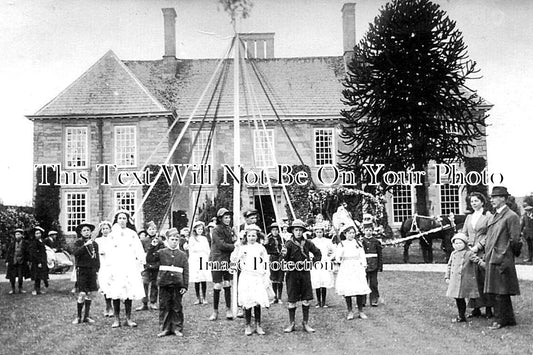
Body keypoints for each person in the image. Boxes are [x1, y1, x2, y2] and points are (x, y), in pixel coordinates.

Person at [471, 186, 521, 330]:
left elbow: (515, 240)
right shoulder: (494, 216)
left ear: (504, 199)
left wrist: (506, 255)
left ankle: (501, 320)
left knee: (501, 290)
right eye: (492, 197)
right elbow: (489, 237)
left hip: (502, 257)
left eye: (495, 197)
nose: (492, 200)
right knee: (496, 290)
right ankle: (509, 319)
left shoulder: (511, 216)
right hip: (492, 256)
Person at [104, 211, 145, 328]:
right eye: (120, 218)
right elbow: (108, 252)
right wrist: (109, 266)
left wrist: (141, 260)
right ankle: (116, 319)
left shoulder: (132, 234)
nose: (122, 220)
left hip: (129, 265)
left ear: (128, 220)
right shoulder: (112, 235)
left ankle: (128, 318)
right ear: (116, 220)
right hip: (116, 266)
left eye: (124, 218)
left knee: (128, 291)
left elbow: (138, 248)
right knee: (116, 291)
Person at [281, 219, 322, 333]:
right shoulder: (288, 244)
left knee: (306, 299)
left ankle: (305, 323)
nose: (298, 232)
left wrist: (313, 262)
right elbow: (282, 259)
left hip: (304, 273)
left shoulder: (308, 243)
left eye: (300, 230)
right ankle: (291, 323)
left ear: (303, 231)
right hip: (292, 274)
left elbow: (318, 253)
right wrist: (285, 260)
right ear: (292, 231)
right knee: (292, 299)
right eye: (296, 230)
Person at [231, 224, 271, 335]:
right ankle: (247, 325)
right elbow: (233, 259)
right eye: (249, 236)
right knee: (247, 301)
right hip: (246, 276)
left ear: (257, 236)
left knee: (257, 301)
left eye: (254, 235)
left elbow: (266, 262)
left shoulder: (260, 248)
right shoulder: (242, 247)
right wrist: (237, 248)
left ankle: (258, 325)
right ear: (246, 237)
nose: (252, 238)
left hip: (258, 276)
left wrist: (266, 276)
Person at [148, 228, 189, 337]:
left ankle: (177, 328)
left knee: (177, 307)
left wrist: (185, 286)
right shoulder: (161, 252)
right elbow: (150, 259)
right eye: (172, 239)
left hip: (177, 284)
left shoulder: (183, 255)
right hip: (164, 283)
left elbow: (186, 271)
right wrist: (153, 247)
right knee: (164, 306)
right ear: (167, 240)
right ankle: (165, 328)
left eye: (176, 239)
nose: (174, 241)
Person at [462, 192, 493, 318]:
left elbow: (490, 234)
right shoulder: (469, 217)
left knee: (484, 279)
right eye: (472, 201)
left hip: (482, 251)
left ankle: (489, 309)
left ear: (482, 202)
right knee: (472, 279)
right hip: (470, 251)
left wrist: (478, 246)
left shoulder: (488, 215)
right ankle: (475, 309)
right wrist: (465, 244)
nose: (474, 203)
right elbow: (464, 232)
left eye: (476, 201)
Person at [335, 223, 371, 320]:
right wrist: (340, 255)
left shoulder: (358, 243)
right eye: (349, 233)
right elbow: (337, 258)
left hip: (356, 267)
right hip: (347, 267)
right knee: (348, 290)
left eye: (353, 233)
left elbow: (362, 255)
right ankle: (350, 311)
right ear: (345, 234)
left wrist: (364, 265)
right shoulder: (341, 244)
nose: (352, 235)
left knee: (359, 289)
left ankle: (360, 311)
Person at [209, 208, 236, 321]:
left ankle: (228, 309)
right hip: (217, 260)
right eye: (225, 217)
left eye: (229, 217)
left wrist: (235, 239)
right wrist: (234, 246)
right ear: (220, 219)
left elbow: (232, 240)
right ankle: (215, 311)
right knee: (217, 285)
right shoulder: (216, 230)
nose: (228, 219)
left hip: (228, 259)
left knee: (227, 284)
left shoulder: (230, 229)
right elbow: (221, 245)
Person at [445, 233, 479, 323]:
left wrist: (485, 266)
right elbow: (449, 266)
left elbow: (477, 260)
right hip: (455, 280)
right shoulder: (453, 254)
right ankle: (461, 315)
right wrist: (447, 277)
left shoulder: (469, 253)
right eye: (456, 243)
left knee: (462, 297)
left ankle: (462, 316)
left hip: (464, 280)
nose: (458, 245)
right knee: (457, 298)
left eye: (460, 243)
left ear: (465, 244)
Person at [72, 222, 100, 324]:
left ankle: (86, 316)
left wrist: (97, 269)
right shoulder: (78, 243)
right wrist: (84, 246)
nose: (86, 232)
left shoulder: (95, 244)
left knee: (90, 294)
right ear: (81, 232)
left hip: (92, 270)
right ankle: (78, 316)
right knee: (82, 293)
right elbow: (75, 253)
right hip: (82, 270)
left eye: (88, 230)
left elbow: (96, 258)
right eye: (84, 230)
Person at [138, 221, 164, 311]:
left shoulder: (160, 241)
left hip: (156, 265)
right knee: (145, 283)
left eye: (153, 229)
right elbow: (141, 253)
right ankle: (144, 302)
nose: (152, 231)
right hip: (146, 265)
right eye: (150, 229)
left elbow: (161, 252)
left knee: (155, 284)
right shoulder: (143, 241)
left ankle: (153, 302)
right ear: (146, 230)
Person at [310, 223, 335, 308]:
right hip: (316, 263)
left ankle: (323, 302)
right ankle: (318, 301)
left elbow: (332, 251)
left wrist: (330, 257)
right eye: (317, 232)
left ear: (323, 232)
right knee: (317, 281)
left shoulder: (327, 241)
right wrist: (312, 258)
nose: (319, 233)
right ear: (315, 232)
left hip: (325, 262)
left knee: (324, 282)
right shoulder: (312, 241)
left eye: (320, 232)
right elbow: (309, 252)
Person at [188, 221, 211, 305]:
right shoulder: (192, 239)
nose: (200, 230)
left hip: (203, 258)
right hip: (195, 259)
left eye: (201, 229)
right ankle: (198, 298)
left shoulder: (204, 239)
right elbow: (190, 250)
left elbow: (207, 249)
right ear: (195, 229)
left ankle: (204, 297)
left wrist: (208, 258)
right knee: (196, 278)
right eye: (198, 229)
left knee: (203, 277)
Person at [361, 222, 383, 307]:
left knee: (373, 284)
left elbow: (380, 254)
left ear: (373, 231)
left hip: (374, 265)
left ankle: (374, 300)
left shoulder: (376, 242)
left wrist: (380, 266)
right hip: (364, 265)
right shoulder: (361, 241)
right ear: (363, 231)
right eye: (366, 230)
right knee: (363, 283)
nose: (368, 232)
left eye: (370, 230)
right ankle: (362, 301)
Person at [95, 221, 114, 317]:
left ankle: (113, 306)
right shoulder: (98, 240)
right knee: (105, 285)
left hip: (113, 264)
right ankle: (108, 305)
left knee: (113, 285)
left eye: (107, 228)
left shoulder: (114, 239)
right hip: (103, 264)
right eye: (103, 229)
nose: (105, 230)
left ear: (110, 229)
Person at [264, 222, 285, 304]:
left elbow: (286, 248)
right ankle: (274, 297)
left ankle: (279, 297)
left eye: (276, 230)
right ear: (271, 231)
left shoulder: (282, 239)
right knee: (273, 278)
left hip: (280, 258)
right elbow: (264, 249)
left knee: (280, 278)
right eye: (273, 230)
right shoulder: (269, 239)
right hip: (272, 258)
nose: (275, 231)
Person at [5, 228, 30, 294]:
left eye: (18, 234)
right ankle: (13, 289)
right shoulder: (12, 243)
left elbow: (27, 253)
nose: (17, 236)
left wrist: (28, 260)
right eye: (16, 234)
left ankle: (20, 288)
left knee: (20, 276)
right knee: (12, 277)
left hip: (21, 262)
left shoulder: (25, 243)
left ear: (22, 235)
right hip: (13, 261)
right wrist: (7, 261)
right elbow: (8, 252)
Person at [28, 226, 49, 295]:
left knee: (40, 276)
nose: (38, 235)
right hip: (36, 261)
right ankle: (35, 289)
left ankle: (39, 289)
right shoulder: (34, 242)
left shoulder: (42, 241)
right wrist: (38, 262)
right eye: (36, 233)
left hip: (43, 260)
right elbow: (34, 253)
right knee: (37, 276)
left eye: (39, 233)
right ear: (34, 235)